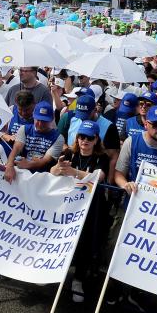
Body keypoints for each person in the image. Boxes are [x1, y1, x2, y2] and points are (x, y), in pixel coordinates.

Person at [50, 120, 111, 303]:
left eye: (89, 138)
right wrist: (59, 167)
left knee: (85, 243)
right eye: (82, 136)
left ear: (96, 140)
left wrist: (74, 172)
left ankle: (78, 280)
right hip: (68, 207)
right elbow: (52, 171)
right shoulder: (70, 153)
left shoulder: (102, 157)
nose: (85, 141)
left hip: (91, 209)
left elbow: (99, 177)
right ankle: (54, 271)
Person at [4, 101, 64, 181]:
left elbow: (45, 160)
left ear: (51, 120)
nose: (40, 124)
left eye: (44, 121)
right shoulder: (24, 129)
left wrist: (28, 164)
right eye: (38, 120)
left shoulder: (58, 138)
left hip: (42, 178)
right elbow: (16, 148)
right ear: (33, 117)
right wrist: (9, 165)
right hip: (22, 174)